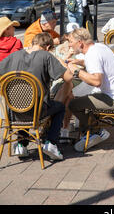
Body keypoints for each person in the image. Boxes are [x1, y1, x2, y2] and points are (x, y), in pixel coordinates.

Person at [0, 32, 74, 161]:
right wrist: (60, 61)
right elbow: (69, 77)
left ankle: (21, 144)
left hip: (12, 112)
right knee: (60, 107)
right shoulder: (46, 56)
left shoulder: (14, 55)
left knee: (22, 100)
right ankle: (51, 142)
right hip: (37, 112)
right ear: (47, 47)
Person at [67, 28, 114, 152]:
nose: (69, 45)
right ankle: (90, 131)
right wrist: (80, 62)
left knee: (73, 104)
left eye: (71, 41)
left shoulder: (92, 55)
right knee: (83, 98)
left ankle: (96, 131)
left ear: (80, 42)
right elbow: (97, 63)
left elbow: (96, 81)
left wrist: (76, 71)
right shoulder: (99, 47)